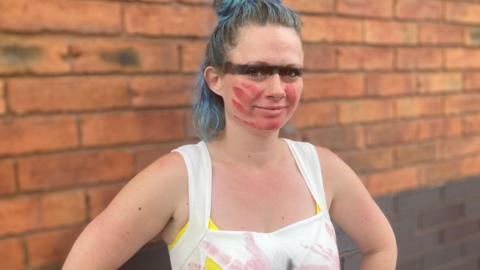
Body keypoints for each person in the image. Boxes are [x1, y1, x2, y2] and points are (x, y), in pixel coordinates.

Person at [63, 0, 397, 269]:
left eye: (290, 72)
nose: (277, 89)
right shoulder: (179, 179)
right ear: (215, 79)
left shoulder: (322, 169)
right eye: (256, 71)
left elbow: (381, 247)